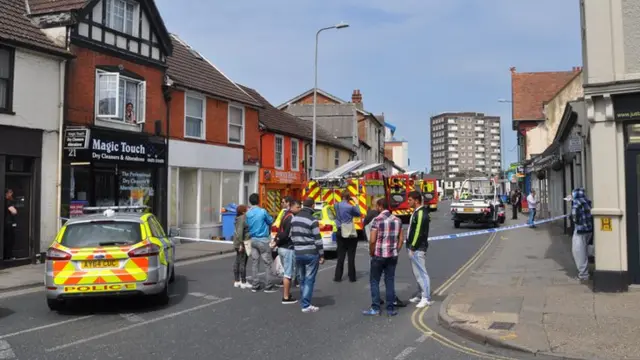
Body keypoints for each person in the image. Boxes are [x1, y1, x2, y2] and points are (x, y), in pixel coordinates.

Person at [363, 198, 403, 317]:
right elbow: (401, 239)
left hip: (379, 255)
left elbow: (372, 240)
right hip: (392, 255)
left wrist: (372, 252)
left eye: (377, 206)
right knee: (389, 281)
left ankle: (375, 308)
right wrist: (396, 250)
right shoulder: (398, 220)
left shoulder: (377, 220)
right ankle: (390, 309)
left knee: (374, 281)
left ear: (380, 206)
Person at [291, 198, 325, 313]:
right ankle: (306, 305)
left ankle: (304, 300)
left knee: (302, 278)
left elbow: (292, 236)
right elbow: (318, 239)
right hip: (310, 252)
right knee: (309, 279)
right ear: (312, 205)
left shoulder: (294, 219)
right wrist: (321, 254)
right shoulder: (312, 220)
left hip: (298, 252)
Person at [245, 193, 277, 293]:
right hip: (263, 239)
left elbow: (246, 225)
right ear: (259, 201)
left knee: (255, 263)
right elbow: (270, 220)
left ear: (250, 201)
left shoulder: (248, 213)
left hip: (253, 240)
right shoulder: (262, 211)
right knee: (267, 263)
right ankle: (268, 286)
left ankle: (255, 285)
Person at [406, 191, 433, 308]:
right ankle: (420, 293)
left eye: (410, 200)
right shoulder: (417, 212)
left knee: (421, 273)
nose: (408, 202)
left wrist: (412, 246)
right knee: (417, 273)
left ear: (416, 201)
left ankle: (426, 297)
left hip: (417, 248)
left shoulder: (421, 213)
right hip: (414, 247)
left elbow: (418, 231)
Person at [333, 190, 361, 283]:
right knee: (351, 255)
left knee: (340, 256)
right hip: (349, 232)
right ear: (349, 198)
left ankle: (338, 277)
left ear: (341, 196)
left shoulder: (336, 205)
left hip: (340, 231)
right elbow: (358, 213)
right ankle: (352, 277)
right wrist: (356, 203)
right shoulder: (350, 207)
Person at [275, 199, 299, 304]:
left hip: (281, 248)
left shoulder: (284, 215)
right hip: (287, 248)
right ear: (292, 206)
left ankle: (288, 293)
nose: (299, 209)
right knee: (288, 274)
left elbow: (280, 230)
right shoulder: (291, 218)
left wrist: (275, 241)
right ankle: (286, 297)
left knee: (287, 271)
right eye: (298, 207)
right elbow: (286, 234)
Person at [569, 188, 593, 282]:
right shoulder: (587, 202)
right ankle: (585, 271)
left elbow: (575, 217)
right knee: (585, 250)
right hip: (589, 230)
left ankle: (583, 275)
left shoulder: (576, 203)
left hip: (580, 231)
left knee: (578, 252)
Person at [232, 205, 252, 289]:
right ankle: (243, 281)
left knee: (237, 261)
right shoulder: (243, 218)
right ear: (243, 211)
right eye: (247, 209)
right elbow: (240, 232)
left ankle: (237, 280)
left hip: (237, 242)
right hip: (243, 242)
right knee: (243, 262)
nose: (248, 210)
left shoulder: (238, 218)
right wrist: (241, 244)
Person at [3, 189, 17, 260]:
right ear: (7, 194)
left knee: (8, 239)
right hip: (9, 223)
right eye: (10, 193)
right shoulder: (8, 201)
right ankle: (8, 256)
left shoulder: (6, 201)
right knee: (10, 239)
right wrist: (15, 210)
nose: (12, 194)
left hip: (7, 223)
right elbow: (14, 211)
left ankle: (7, 255)